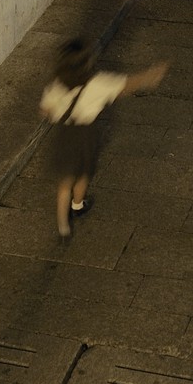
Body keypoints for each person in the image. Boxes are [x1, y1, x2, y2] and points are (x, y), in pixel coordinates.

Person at [40, 40, 168, 239]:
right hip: (85, 135)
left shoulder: (57, 84)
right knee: (83, 171)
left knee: (65, 181)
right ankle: (77, 205)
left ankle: (63, 226)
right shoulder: (98, 82)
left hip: (64, 135)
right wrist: (151, 75)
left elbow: (46, 109)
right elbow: (126, 84)